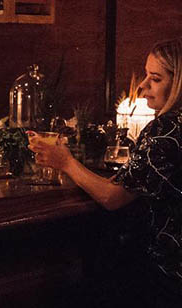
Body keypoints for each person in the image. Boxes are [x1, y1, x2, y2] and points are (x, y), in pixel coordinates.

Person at [31, 37, 182, 304]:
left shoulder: (165, 130)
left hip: (165, 272)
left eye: (155, 79)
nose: (144, 86)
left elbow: (113, 198)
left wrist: (64, 161)